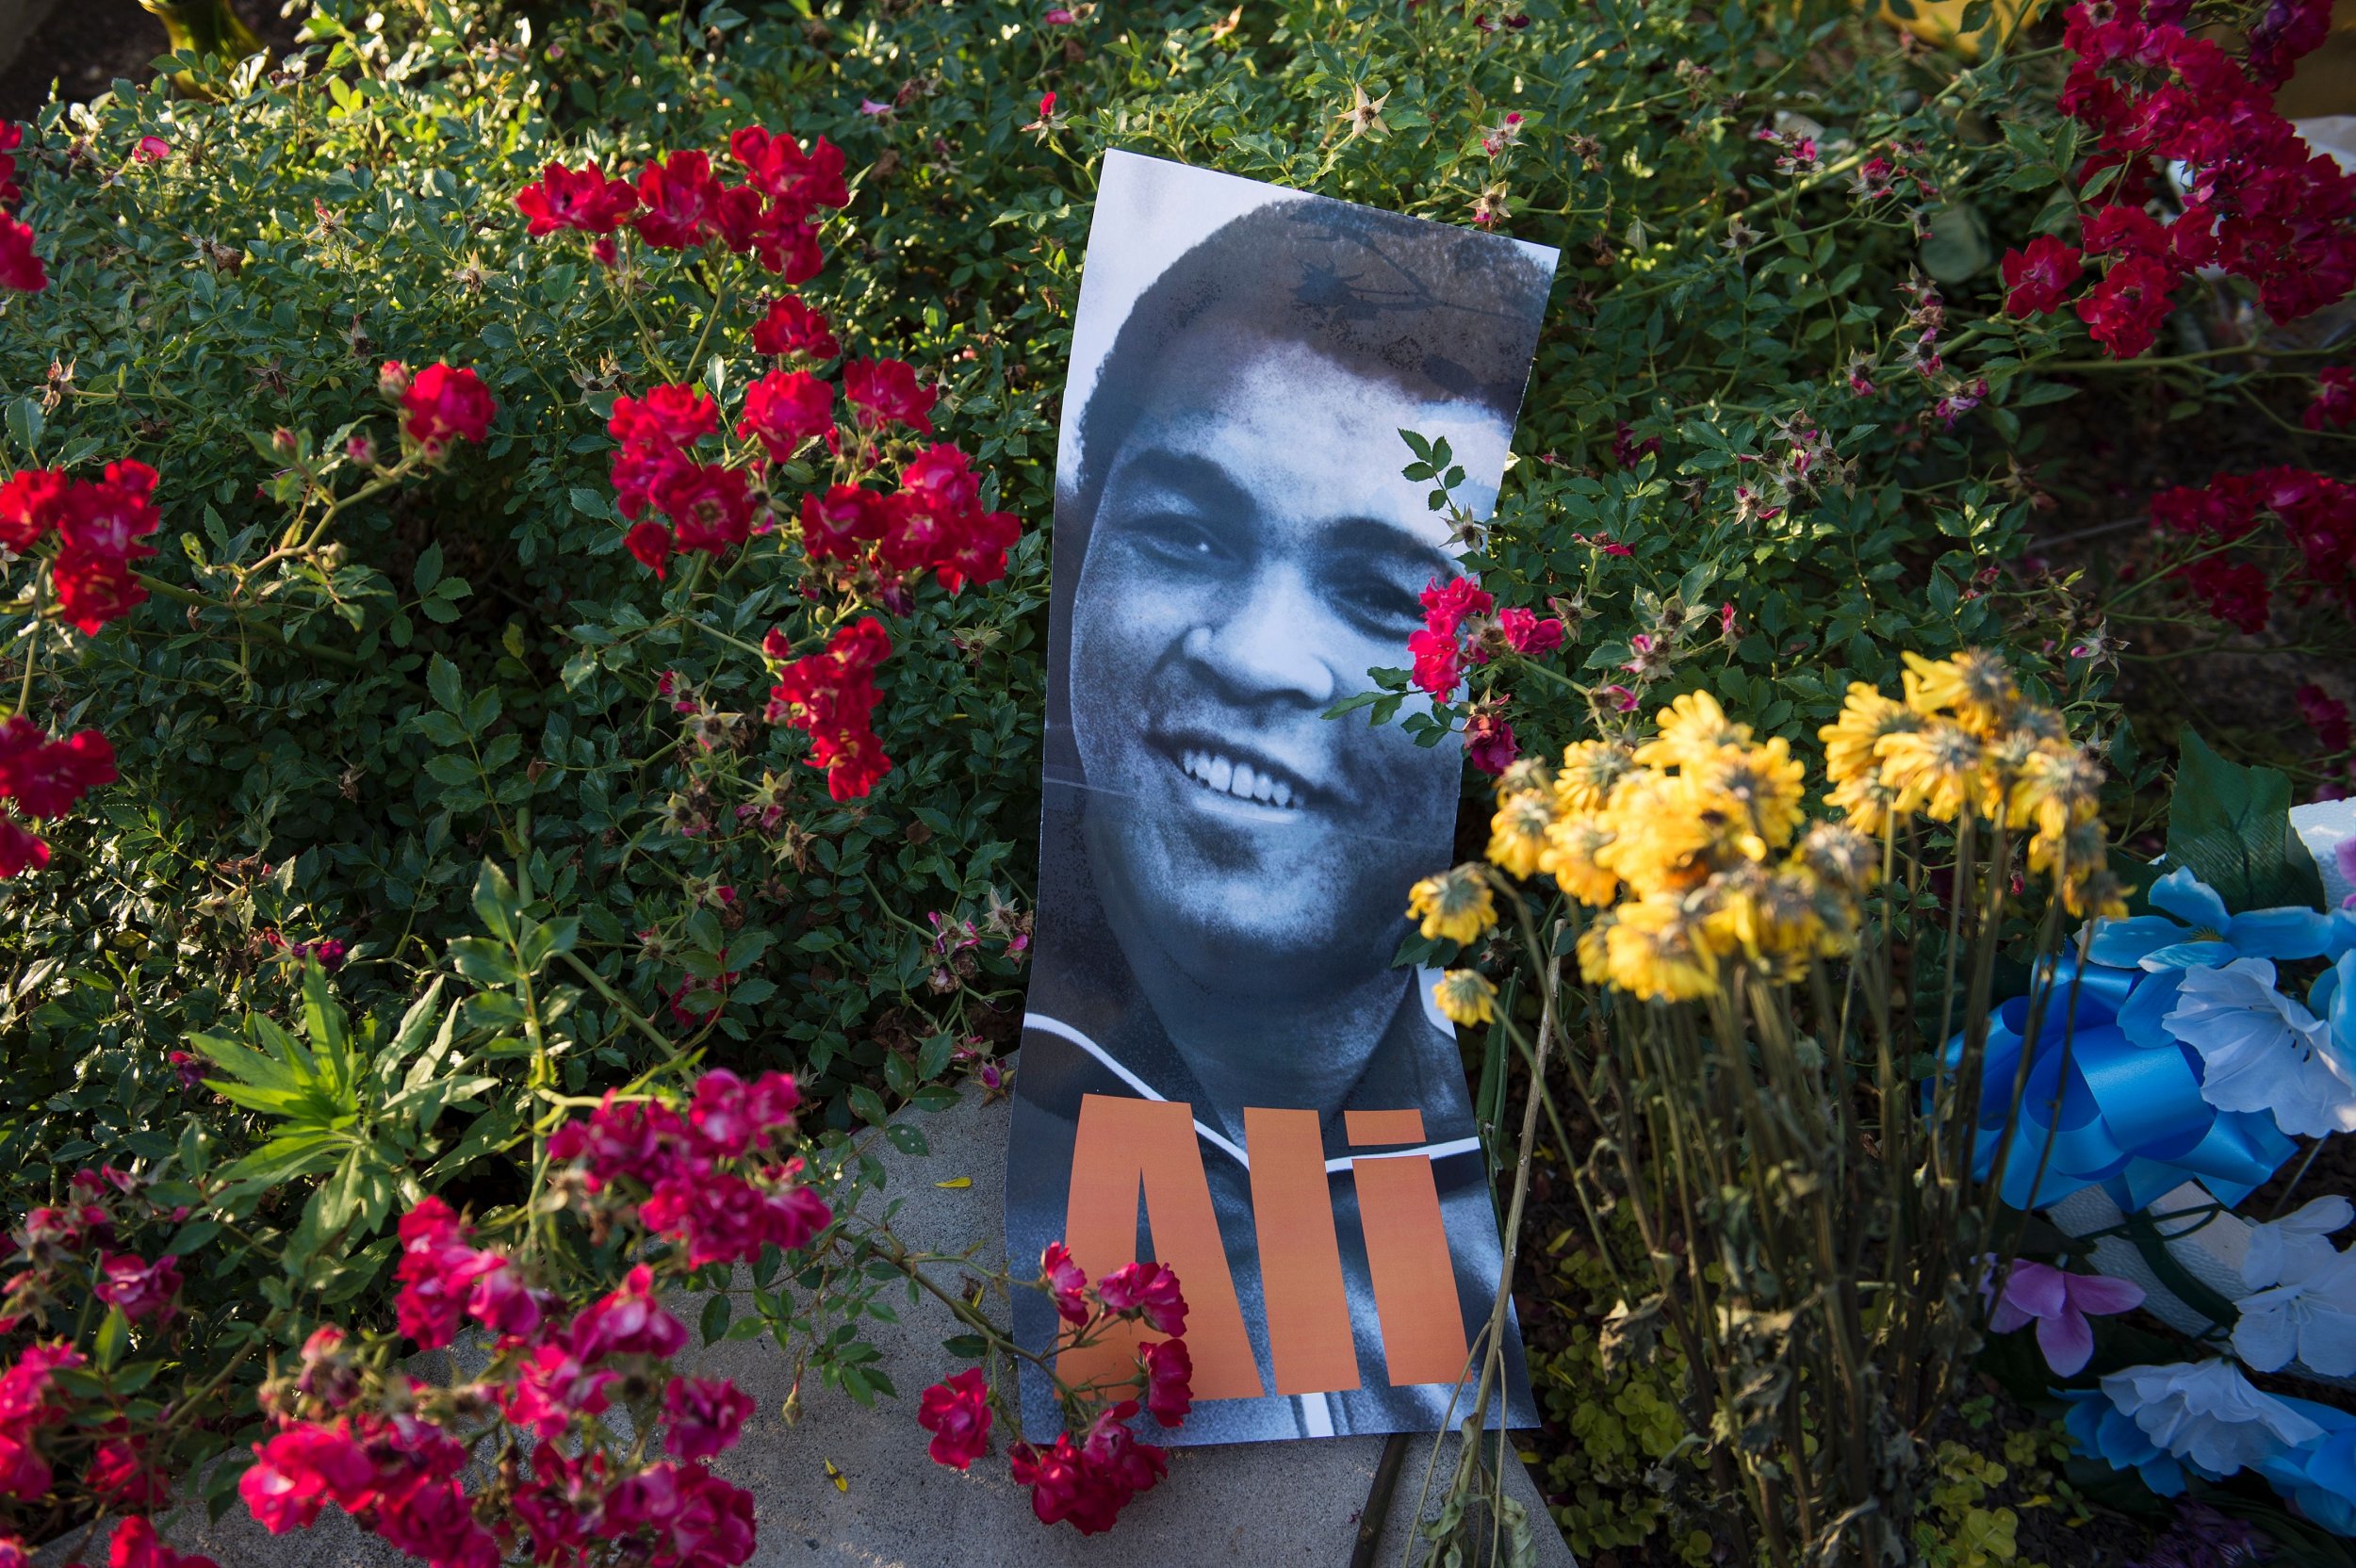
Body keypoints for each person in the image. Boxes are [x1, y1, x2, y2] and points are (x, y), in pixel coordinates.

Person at [1006, 182, 1552, 1444]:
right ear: (1087, 560)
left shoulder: (1526, 1183)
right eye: (1187, 536)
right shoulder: (1011, 1153)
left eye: (1384, 596)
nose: (1260, 657)